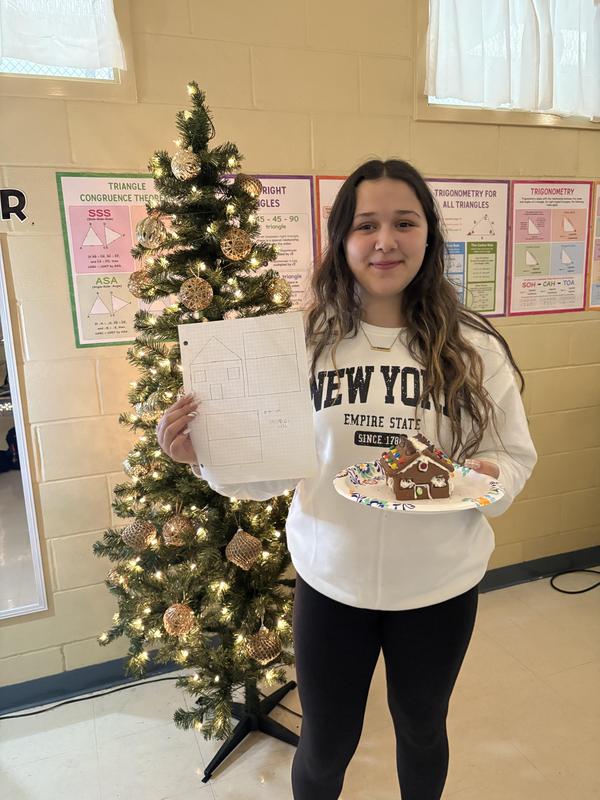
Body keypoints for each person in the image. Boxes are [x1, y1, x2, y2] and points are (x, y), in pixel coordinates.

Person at [156, 159, 537, 800]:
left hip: (439, 586)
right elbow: (260, 469)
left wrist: (484, 476)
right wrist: (199, 451)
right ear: (341, 239)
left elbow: (515, 458)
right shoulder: (299, 343)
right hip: (331, 582)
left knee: (421, 728)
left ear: (428, 235)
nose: (385, 240)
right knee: (326, 739)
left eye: (404, 222)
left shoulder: (474, 347)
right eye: (366, 225)